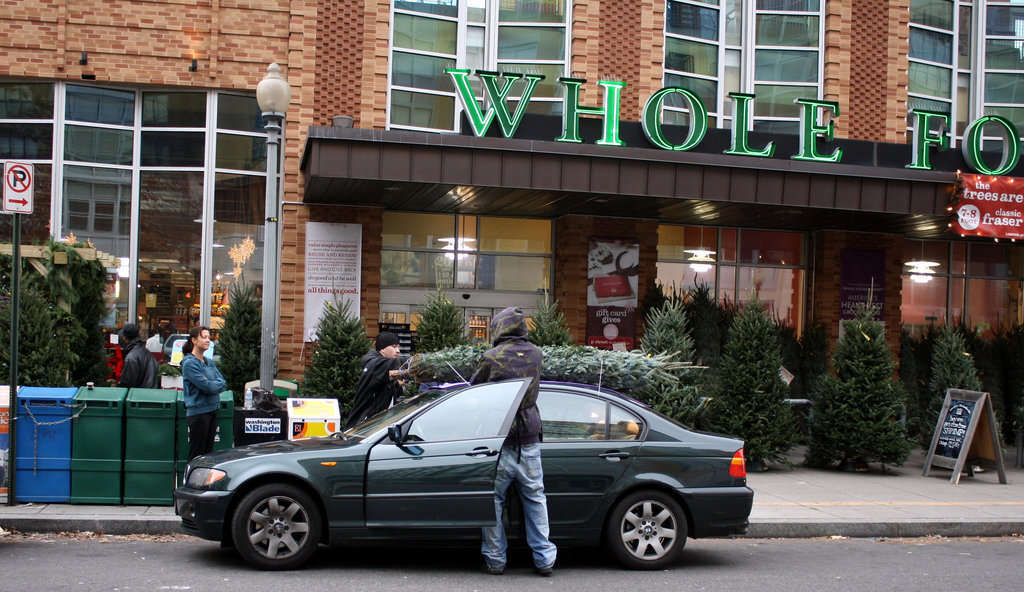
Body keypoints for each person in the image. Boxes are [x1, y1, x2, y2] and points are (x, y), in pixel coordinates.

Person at [472, 307, 556, 577]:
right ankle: (544, 559)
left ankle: (495, 560)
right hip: (529, 438)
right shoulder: (536, 354)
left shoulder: (491, 357)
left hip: (500, 439)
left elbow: (475, 389)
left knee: (493, 501)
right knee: (535, 498)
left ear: (499, 327)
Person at [181, 325, 227, 461]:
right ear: (194, 340)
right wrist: (212, 384)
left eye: (209, 337)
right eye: (204, 337)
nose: (208, 340)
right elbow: (206, 386)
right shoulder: (189, 363)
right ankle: (192, 481)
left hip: (212, 411)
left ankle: (204, 481)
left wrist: (212, 383)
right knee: (197, 455)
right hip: (198, 414)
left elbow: (223, 383)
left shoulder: (209, 362)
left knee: (208, 455)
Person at [345, 332, 406, 428]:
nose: (398, 350)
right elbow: (392, 364)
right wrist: (418, 362)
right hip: (364, 428)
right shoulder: (375, 364)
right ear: (382, 349)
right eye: (394, 346)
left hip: (377, 429)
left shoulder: (381, 365)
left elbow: (379, 386)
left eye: (398, 346)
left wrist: (396, 385)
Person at [117, 323, 160, 389]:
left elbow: (126, 385)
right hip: (149, 395)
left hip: (138, 396)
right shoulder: (146, 353)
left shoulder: (131, 357)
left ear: (125, 339)